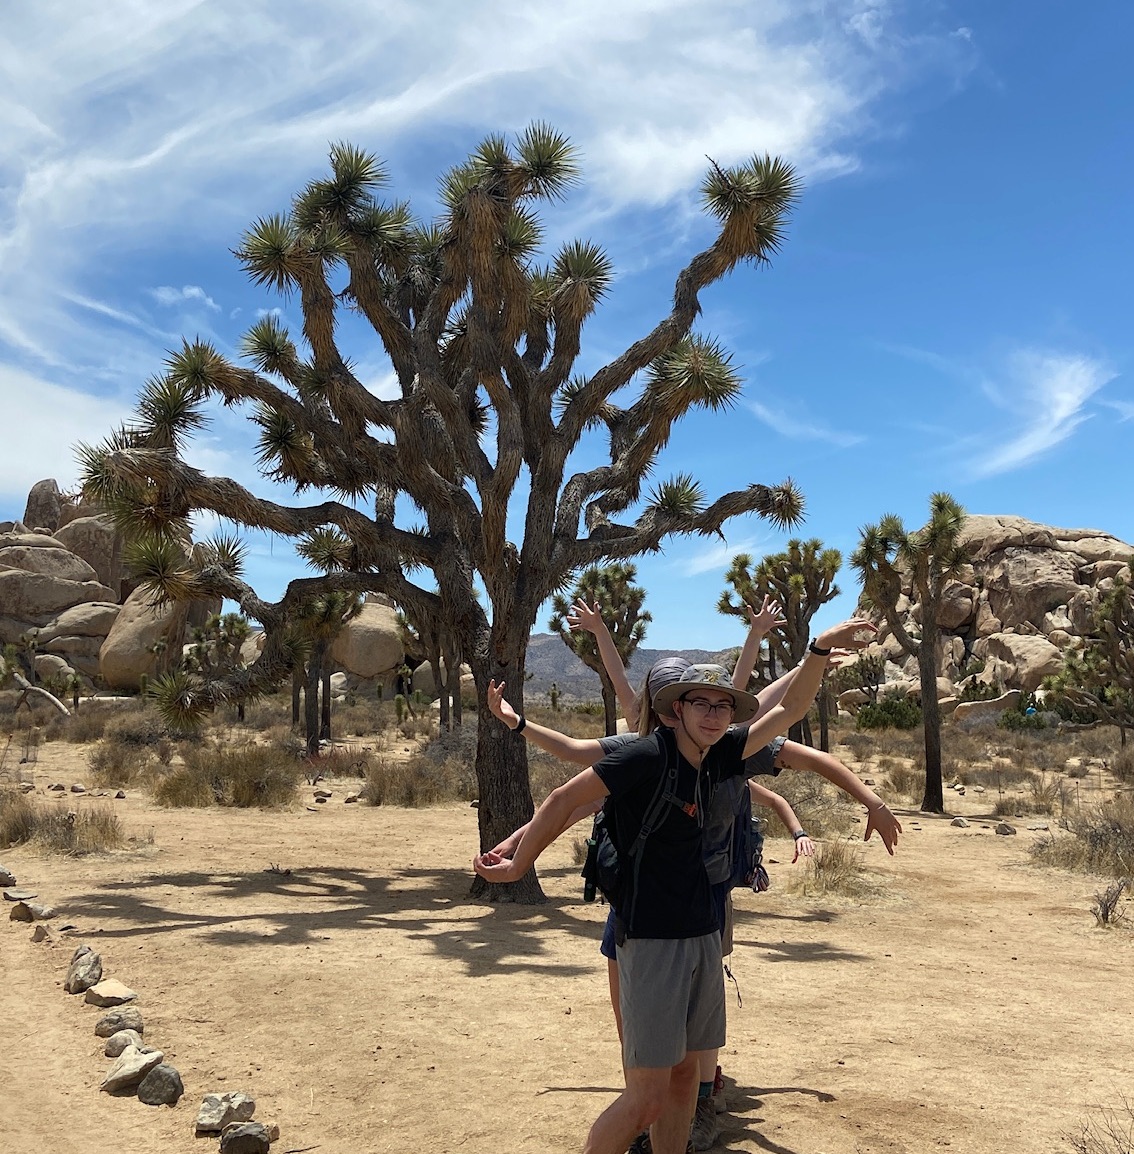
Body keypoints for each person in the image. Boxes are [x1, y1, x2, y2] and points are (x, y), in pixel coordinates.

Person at [474, 618, 878, 1154]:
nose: (713, 715)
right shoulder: (644, 756)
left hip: (702, 933)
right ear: (676, 709)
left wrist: (820, 649)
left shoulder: (721, 756)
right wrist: (522, 862)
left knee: (688, 1079)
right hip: (650, 939)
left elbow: (790, 708)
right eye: (701, 705)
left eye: (722, 707)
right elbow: (563, 800)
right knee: (646, 1096)